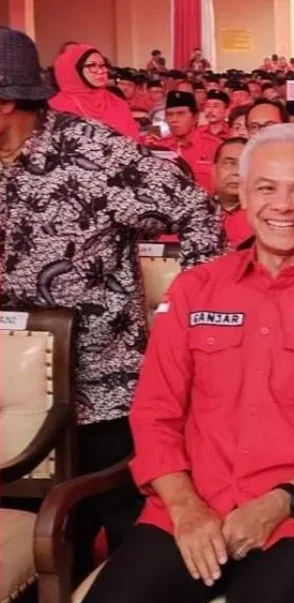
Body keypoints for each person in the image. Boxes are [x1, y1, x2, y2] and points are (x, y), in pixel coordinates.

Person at [63, 124, 294, 603]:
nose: (282, 207)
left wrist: (280, 502)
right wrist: (187, 507)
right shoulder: (195, 290)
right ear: (241, 196)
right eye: (266, 189)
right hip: (187, 513)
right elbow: (155, 412)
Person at [1, 27, 223, 573]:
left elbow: (198, 212)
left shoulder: (94, 152)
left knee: (127, 543)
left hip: (101, 389)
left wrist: (182, 319)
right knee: (38, 553)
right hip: (8, 395)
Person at [48, 43, 140, 138]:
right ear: (74, 70)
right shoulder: (58, 104)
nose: (101, 71)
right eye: (92, 65)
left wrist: (145, 140)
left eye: (102, 65)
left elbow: (132, 139)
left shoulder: (117, 102)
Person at [150, 91, 222, 192]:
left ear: (195, 117)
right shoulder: (160, 147)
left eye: (181, 114)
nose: (174, 119)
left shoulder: (215, 146)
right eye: (170, 115)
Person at [212, 138, 251, 246]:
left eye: (245, 165)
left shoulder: (265, 216)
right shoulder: (192, 213)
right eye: (229, 163)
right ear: (214, 170)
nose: (237, 172)